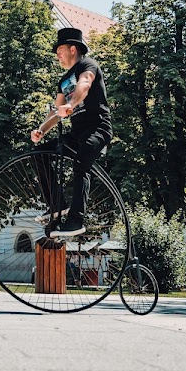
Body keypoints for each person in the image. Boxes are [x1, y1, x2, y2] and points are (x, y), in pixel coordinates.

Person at [30, 27, 113, 238]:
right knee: (39, 155)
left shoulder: (88, 65)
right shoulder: (63, 80)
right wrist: (41, 130)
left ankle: (76, 220)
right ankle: (57, 204)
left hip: (98, 128)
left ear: (73, 49)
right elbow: (56, 111)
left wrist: (73, 104)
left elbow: (84, 85)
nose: (57, 54)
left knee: (81, 163)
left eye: (60, 49)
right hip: (77, 133)